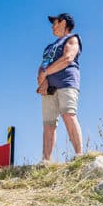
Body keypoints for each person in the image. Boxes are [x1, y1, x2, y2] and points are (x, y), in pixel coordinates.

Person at [37, 13, 83, 162]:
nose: (52, 26)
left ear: (63, 22)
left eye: (55, 22)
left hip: (66, 82)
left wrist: (46, 73)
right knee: (48, 124)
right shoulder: (48, 47)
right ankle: (46, 161)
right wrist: (42, 82)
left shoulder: (72, 39)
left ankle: (79, 155)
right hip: (49, 88)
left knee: (69, 115)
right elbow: (42, 66)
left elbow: (68, 58)